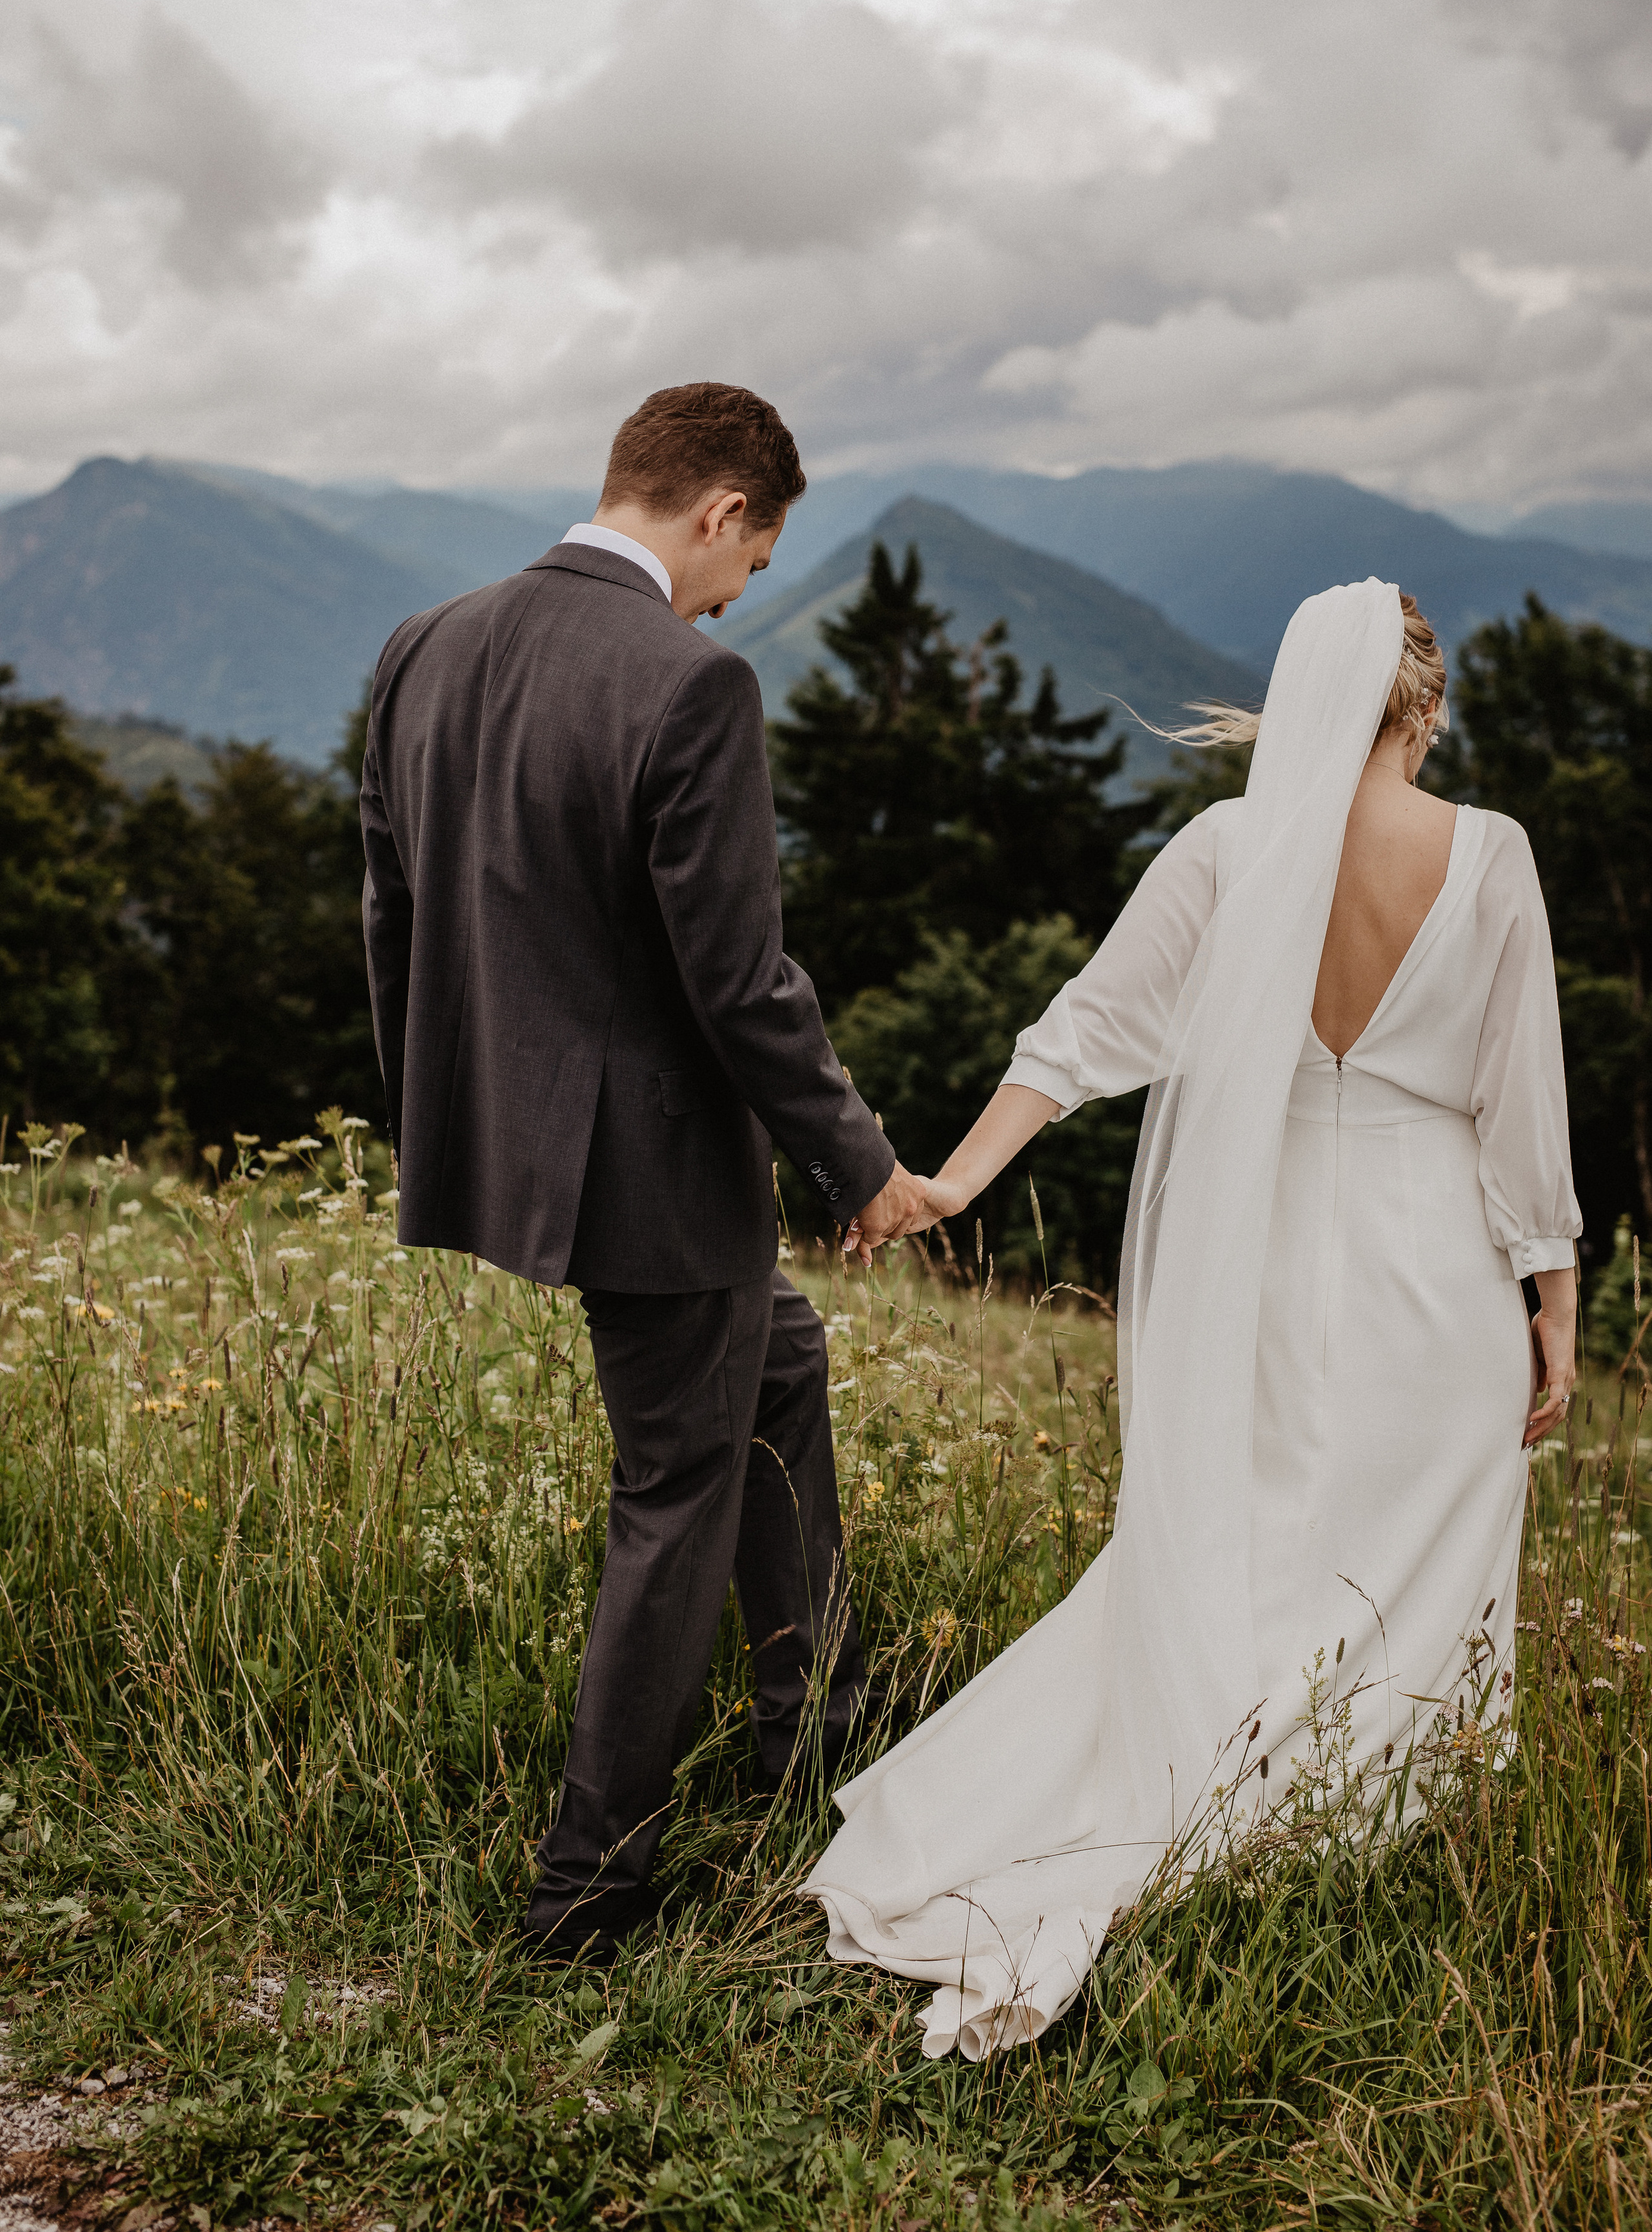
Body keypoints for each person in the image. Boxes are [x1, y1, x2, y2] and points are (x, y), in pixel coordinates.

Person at [809, 578, 1581, 2060]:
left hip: (1267, 1261)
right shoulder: (1489, 852)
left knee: (1257, 1537)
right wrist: (1551, 1297)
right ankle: (1341, 1826)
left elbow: (1081, 1034)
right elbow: (1520, 1103)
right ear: (1425, 706)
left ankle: (1196, 1790)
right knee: (1406, 1561)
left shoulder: (1228, 849)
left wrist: (954, 1181)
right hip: (1434, 1273)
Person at [359, 381, 928, 1962]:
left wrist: (443, 1122)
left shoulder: (422, 643)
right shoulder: (691, 684)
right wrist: (861, 1166)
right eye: (752, 559)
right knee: (673, 1491)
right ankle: (586, 1892)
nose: (739, 594)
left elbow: (393, 913)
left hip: (513, 1140)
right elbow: (740, 985)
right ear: (721, 510)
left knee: (779, 1362)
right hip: (651, 1173)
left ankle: (809, 1723)